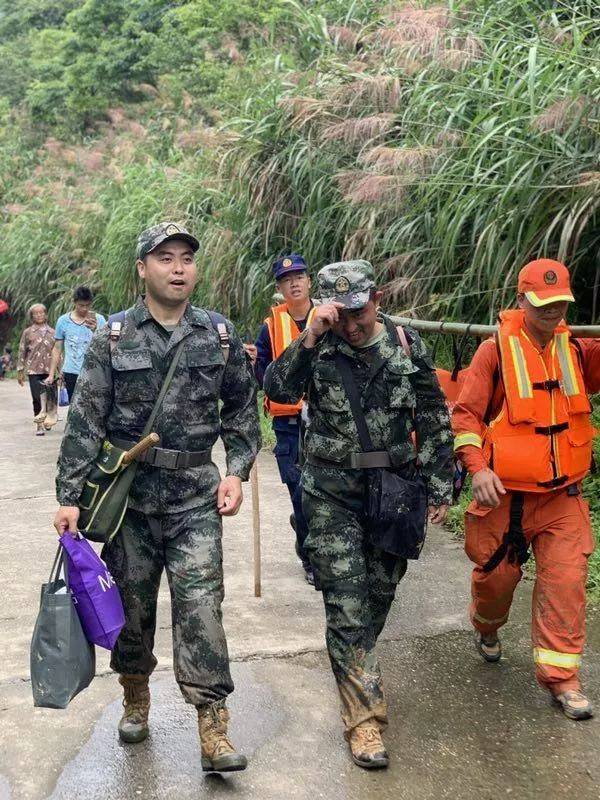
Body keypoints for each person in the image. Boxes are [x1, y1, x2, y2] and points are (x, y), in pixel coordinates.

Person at [53, 222, 261, 772]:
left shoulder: (217, 334)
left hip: (196, 499)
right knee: (134, 609)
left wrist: (237, 471)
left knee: (201, 610)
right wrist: (70, 496)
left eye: (186, 258)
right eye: (164, 257)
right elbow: (85, 422)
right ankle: (135, 696)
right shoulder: (114, 337)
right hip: (131, 503)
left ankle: (213, 728)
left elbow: (242, 411)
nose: (177, 267)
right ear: (142, 269)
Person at [264, 260, 453, 769]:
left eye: (360, 312)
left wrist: (439, 482)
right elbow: (277, 390)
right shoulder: (318, 344)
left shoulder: (407, 344)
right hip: (330, 493)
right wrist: (308, 338)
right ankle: (363, 720)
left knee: (375, 596)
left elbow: (434, 417)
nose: (351, 324)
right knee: (345, 604)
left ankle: (357, 670)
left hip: (394, 491)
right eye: (340, 315)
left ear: (379, 297)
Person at [452, 258, 600, 721]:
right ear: (521, 300)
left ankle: (562, 680)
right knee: (496, 582)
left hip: (563, 498)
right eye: (542, 305)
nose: (552, 314)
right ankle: (487, 626)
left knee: (567, 580)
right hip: (505, 500)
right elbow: (465, 417)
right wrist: (477, 468)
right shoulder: (493, 352)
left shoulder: (575, 348)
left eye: (559, 305)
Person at [249, 253, 316, 584]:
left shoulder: (330, 318)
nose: (295, 283)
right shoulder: (270, 327)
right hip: (288, 426)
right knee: (299, 492)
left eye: (300, 277)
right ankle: (311, 559)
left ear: (309, 281)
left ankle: (318, 546)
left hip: (324, 424)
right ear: (280, 288)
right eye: (288, 280)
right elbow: (261, 371)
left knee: (326, 493)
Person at [47, 286, 106, 401]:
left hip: (93, 370)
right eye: (81, 305)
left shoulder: (99, 320)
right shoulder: (63, 321)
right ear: (74, 302)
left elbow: (106, 344)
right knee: (74, 405)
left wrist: (96, 330)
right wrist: (51, 374)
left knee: (92, 405)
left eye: (88, 305)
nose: (84, 309)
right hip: (71, 371)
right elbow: (57, 348)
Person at [17, 304, 56, 435]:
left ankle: (48, 420)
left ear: (45, 315)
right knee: (36, 398)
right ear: (32, 316)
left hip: (49, 371)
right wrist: (20, 370)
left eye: (41, 313)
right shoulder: (28, 332)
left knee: (50, 398)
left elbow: (58, 353)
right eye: (36, 313)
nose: (39, 315)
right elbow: (22, 351)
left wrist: (60, 371)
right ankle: (39, 424)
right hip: (33, 370)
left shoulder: (53, 332)